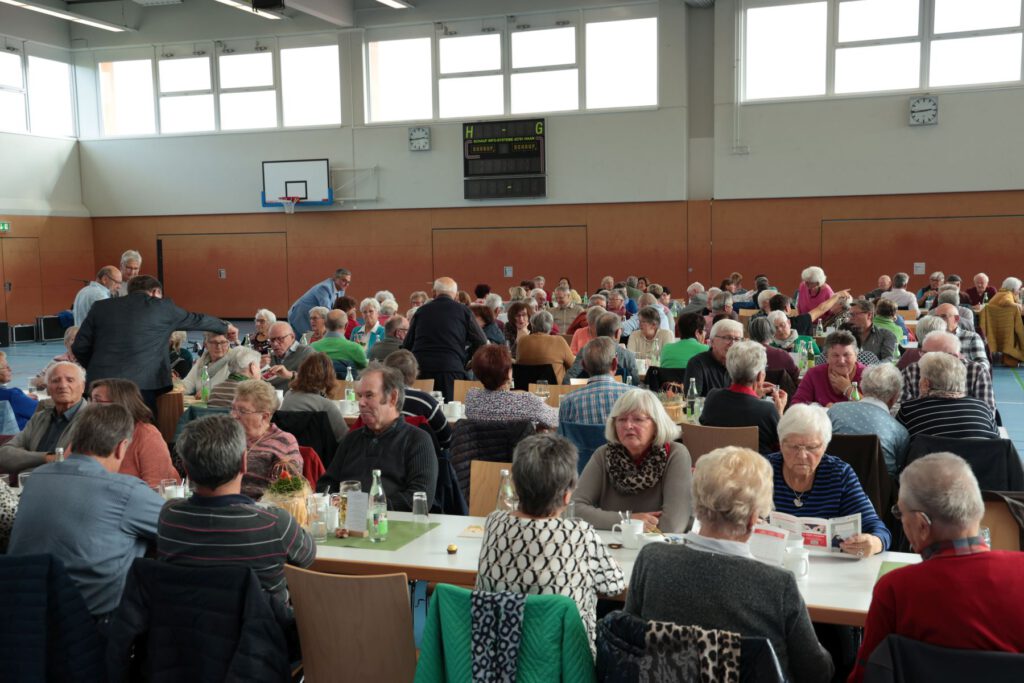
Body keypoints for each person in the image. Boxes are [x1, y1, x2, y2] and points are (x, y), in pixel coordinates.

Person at [626, 446, 834, 683]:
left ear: (697, 502)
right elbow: (817, 673)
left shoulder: (651, 560)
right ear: (755, 518)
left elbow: (631, 638)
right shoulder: (777, 585)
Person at [849, 453, 1024, 683]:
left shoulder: (896, 589)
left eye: (900, 513)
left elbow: (865, 676)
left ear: (922, 525)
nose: (901, 521)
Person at [158, 415, 316, 627]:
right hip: (261, 644)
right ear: (244, 462)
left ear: (186, 470)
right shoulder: (274, 523)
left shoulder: (170, 517)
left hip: (186, 641)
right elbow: (308, 557)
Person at [8, 404, 163, 617]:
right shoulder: (126, 491)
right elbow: (178, 526)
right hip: (92, 623)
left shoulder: (37, 477)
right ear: (121, 447)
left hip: (24, 613)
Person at [476, 433, 625, 648]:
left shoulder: (494, 523)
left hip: (500, 660)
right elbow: (614, 585)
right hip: (566, 664)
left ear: (516, 487)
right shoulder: (580, 535)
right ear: (567, 496)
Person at [72, 275, 235, 411]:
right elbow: (197, 320)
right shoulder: (162, 307)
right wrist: (225, 327)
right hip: (143, 386)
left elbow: (79, 346)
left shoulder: (101, 307)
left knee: (97, 435)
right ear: (156, 291)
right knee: (141, 433)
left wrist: (98, 367)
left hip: (100, 385)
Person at [767, 404, 891, 555]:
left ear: (824, 446)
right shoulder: (763, 471)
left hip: (829, 568)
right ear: (780, 444)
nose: (802, 455)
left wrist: (873, 543)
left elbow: (878, 528)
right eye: (793, 446)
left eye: (811, 447)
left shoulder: (839, 474)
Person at [316, 364, 438, 510]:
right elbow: (326, 485)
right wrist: (337, 502)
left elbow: (419, 498)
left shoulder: (417, 440)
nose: (360, 403)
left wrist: (369, 507)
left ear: (392, 397)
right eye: (360, 396)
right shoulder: (351, 439)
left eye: (369, 395)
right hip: (347, 524)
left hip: (394, 526)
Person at [572, 389, 693, 533]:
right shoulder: (604, 454)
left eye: (638, 419)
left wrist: (604, 520)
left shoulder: (675, 454)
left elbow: (673, 526)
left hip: (658, 547)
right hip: (611, 545)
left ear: (656, 425)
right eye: (621, 419)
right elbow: (574, 509)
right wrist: (629, 521)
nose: (628, 425)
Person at [402, 276, 487, 402]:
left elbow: (407, 344)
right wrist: (464, 357)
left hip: (421, 370)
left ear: (433, 292)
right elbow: (481, 341)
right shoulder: (464, 311)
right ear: (456, 295)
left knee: (421, 411)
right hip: (451, 368)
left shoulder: (421, 311)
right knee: (450, 411)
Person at [89, 378, 180, 488]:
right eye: (91, 400)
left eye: (97, 401)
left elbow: (156, 487)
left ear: (120, 404)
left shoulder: (147, 435)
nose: (90, 407)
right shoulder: (90, 431)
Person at [0, 362, 87, 475]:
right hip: (27, 485)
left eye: (70, 380)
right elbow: (4, 454)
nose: (62, 385)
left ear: (83, 387)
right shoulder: (39, 418)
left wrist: (26, 458)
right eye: (55, 381)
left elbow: (75, 466)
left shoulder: (93, 421)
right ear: (48, 389)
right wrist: (47, 458)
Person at [700, 341, 786, 454]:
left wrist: (754, 397)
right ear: (760, 375)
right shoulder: (768, 410)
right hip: (756, 470)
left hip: (717, 467)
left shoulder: (713, 398)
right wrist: (779, 413)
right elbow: (784, 447)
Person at [827, 363, 909, 476]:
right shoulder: (899, 432)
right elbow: (898, 469)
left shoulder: (835, 410)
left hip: (833, 483)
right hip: (878, 491)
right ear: (894, 397)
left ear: (862, 388)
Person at [897, 352, 998, 440]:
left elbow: (899, 449)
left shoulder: (908, 411)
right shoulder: (983, 409)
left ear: (925, 384)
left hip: (930, 461)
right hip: (979, 462)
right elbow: (997, 443)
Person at [230, 379, 303, 500]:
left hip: (261, 511)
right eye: (233, 408)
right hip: (222, 505)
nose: (234, 415)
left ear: (264, 416)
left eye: (242, 411)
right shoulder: (226, 436)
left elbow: (289, 493)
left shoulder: (284, 442)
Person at [899, 330, 994, 412]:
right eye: (923, 353)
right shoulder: (912, 370)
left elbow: (987, 411)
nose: (923, 358)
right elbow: (902, 408)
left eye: (931, 355)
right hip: (921, 428)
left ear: (954, 357)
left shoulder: (976, 371)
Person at [465, 344, 558, 429]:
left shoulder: (472, 398)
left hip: (481, 447)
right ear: (508, 373)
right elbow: (555, 419)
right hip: (519, 447)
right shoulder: (527, 402)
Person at [383, 350, 452, 448]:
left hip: (380, 457)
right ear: (415, 374)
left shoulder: (377, 399)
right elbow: (447, 439)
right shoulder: (424, 401)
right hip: (421, 457)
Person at [558, 338, 632, 425]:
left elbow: (563, 436)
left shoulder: (568, 402)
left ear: (584, 366)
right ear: (615, 364)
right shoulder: (634, 397)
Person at [280, 352, 349, 441]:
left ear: (301, 372)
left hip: (290, 451)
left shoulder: (288, 396)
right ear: (329, 376)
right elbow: (344, 438)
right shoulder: (326, 405)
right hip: (320, 454)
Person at [791, 330, 865, 407]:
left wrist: (848, 389)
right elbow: (796, 405)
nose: (841, 361)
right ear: (827, 358)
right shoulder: (814, 374)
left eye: (847, 355)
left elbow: (874, 410)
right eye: (835, 355)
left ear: (856, 356)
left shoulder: (867, 376)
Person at [564, 312, 639, 386]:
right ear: (617, 332)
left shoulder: (585, 351)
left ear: (596, 331)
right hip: (621, 396)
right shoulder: (627, 355)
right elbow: (635, 383)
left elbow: (569, 379)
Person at [685, 318, 743, 397]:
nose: (732, 343)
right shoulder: (697, 364)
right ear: (712, 342)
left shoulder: (743, 364)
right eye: (727, 338)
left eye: (737, 339)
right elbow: (692, 402)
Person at [514, 310, 576, 383]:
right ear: (551, 326)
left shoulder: (522, 341)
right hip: (554, 390)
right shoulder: (559, 341)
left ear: (532, 325)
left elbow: (518, 364)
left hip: (526, 389)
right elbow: (573, 366)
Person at [287, 268, 351, 337]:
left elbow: (338, 308)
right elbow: (327, 311)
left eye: (348, 282)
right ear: (335, 278)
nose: (346, 284)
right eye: (344, 281)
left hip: (313, 317)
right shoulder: (324, 288)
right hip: (300, 316)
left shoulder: (341, 290)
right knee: (304, 342)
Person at [931, 303, 989, 370]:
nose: (939, 320)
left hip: (964, 378)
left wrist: (961, 361)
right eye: (936, 317)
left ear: (956, 319)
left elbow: (984, 366)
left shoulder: (971, 337)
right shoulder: (931, 338)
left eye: (943, 316)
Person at [264, 321, 315, 392]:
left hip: (297, 399)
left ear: (292, 337)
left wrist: (290, 375)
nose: (275, 344)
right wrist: (258, 370)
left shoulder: (306, 352)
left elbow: (316, 381)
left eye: (280, 339)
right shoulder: (270, 358)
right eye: (272, 340)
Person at [180, 331, 231, 397]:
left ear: (228, 344)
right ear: (205, 345)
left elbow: (237, 390)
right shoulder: (201, 361)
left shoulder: (234, 362)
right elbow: (188, 384)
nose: (218, 346)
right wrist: (174, 387)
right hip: (201, 404)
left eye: (223, 342)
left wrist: (211, 393)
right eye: (214, 342)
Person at [30, 325, 79, 390]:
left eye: (80, 339)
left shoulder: (90, 360)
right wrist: (44, 381)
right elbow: (34, 380)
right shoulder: (57, 361)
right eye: (73, 339)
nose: (77, 342)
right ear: (66, 343)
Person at [0, 351, 38, 429]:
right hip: (20, 438)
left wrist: (23, 398)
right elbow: (44, 412)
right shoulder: (12, 395)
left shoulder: (12, 397)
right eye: (5, 367)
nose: (10, 369)